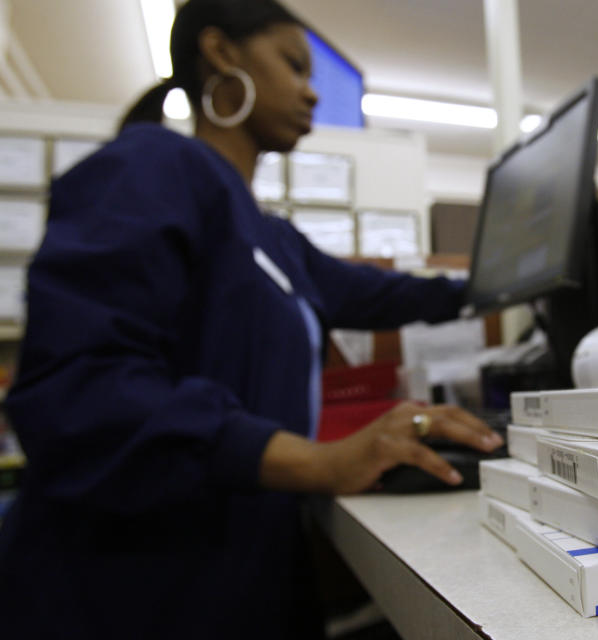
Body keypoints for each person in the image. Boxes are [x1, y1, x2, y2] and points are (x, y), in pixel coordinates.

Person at [0, 0, 502, 637]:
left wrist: (499, 278)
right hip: (129, 594)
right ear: (222, 53)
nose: (311, 92)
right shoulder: (150, 166)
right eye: (294, 65)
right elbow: (84, 390)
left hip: (241, 574)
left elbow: (381, 295)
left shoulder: (273, 240)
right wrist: (318, 462)